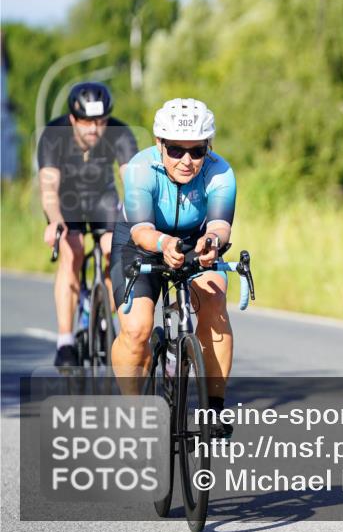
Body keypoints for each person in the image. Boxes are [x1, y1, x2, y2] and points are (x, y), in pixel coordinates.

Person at [109, 98, 236, 435]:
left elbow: (221, 225)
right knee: (136, 330)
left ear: (208, 147)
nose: (186, 160)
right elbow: (140, 230)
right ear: (159, 144)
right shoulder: (140, 168)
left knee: (214, 300)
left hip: (195, 241)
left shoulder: (220, 171)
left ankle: (214, 409)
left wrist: (211, 243)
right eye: (176, 150)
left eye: (196, 151)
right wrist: (164, 244)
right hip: (141, 242)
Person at [37, 82, 138, 367]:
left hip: (102, 198)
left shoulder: (120, 133)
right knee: (72, 252)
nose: (95, 129)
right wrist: (55, 222)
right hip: (65, 201)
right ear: (73, 119)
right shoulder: (53, 135)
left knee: (114, 250)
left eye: (101, 121)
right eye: (87, 122)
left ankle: (106, 317)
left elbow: (132, 183)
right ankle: (65, 341)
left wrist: (137, 218)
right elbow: (48, 190)